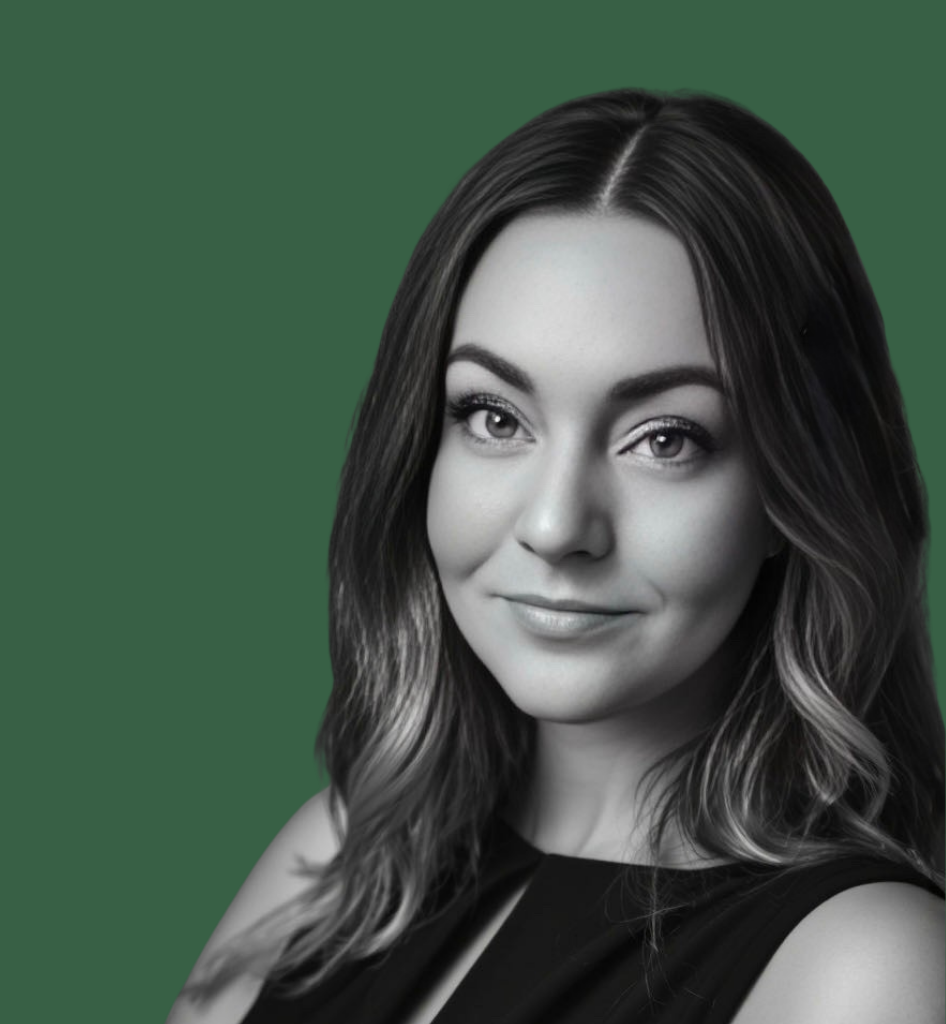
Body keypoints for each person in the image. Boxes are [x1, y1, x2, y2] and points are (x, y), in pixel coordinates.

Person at [167, 89, 945, 1024]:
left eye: (665, 439)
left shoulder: (866, 963)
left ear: (794, 491)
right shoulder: (341, 856)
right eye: (495, 418)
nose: (554, 524)